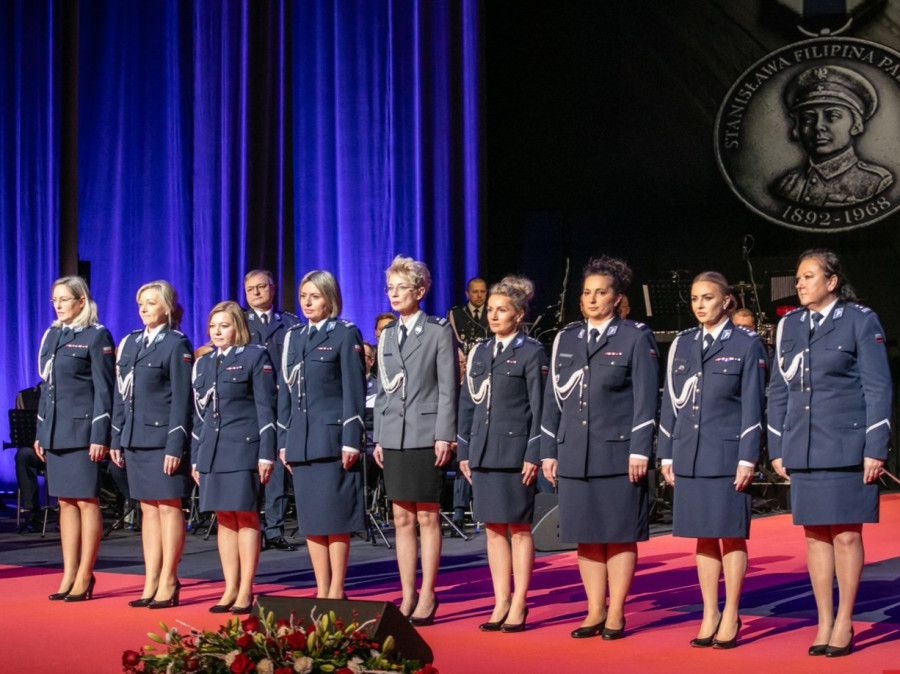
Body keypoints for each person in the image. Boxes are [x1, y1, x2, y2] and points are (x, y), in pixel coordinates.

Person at [767, 249, 891, 657]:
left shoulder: (858, 320)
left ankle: (845, 621)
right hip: (803, 446)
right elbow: (779, 390)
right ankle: (823, 619)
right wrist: (778, 447)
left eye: (807, 276)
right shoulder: (789, 326)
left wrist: (875, 447)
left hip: (845, 444)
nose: (799, 284)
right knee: (815, 536)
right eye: (798, 278)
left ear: (832, 281)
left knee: (845, 536)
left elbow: (877, 387)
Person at [541, 256, 658, 640]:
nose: (592, 299)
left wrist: (641, 449)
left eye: (601, 293)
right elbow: (552, 400)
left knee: (619, 534)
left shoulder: (634, 336)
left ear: (616, 298)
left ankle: (617, 612)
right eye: (587, 293)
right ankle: (594, 610)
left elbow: (645, 400)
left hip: (618, 454)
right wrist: (548, 449)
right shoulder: (567, 338)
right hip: (574, 452)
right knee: (587, 535)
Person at [658, 272, 767, 649]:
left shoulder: (746, 343)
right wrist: (666, 453)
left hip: (727, 453)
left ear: (726, 301)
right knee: (703, 535)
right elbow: (670, 403)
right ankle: (709, 611)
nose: (700, 305)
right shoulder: (683, 344)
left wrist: (748, 457)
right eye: (694, 299)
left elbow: (754, 403)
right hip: (689, 452)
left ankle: (732, 611)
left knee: (731, 533)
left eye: (707, 298)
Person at [458, 275, 547, 633]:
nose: (494, 316)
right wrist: (464, 447)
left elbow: (540, 408)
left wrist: (534, 452)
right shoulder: (479, 351)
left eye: (502, 310)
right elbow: (468, 403)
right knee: (493, 530)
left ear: (519, 313)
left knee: (519, 529)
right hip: (482, 450)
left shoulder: (531, 351)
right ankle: (500, 600)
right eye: (491, 310)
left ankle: (520, 601)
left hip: (514, 451)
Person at [374, 255, 458, 626]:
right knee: (400, 518)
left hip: (427, 435)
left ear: (420, 291)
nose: (394, 294)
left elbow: (447, 390)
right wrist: (379, 436)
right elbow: (382, 390)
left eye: (401, 287)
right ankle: (407, 592)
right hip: (393, 435)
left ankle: (428, 593)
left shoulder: (438, 331)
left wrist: (445, 434)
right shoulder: (388, 334)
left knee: (427, 516)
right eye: (390, 287)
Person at [279, 271, 366, 599]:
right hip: (301, 440)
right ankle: (321, 587)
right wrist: (285, 441)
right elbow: (286, 396)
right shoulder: (294, 336)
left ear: (329, 298)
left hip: (332, 439)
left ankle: (337, 588)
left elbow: (353, 391)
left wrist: (351, 438)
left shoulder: (344, 334)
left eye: (314, 296)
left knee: (335, 517)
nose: (307, 302)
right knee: (313, 521)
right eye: (303, 296)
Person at [110, 281, 193, 609]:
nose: (144, 308)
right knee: (147, 508)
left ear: (168, 307)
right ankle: (151, 578)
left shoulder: (176, 344)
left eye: (151, 303)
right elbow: (121, 394)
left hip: (162, 439)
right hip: (135, 437)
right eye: (141, 303)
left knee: (168, 505)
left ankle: (169, 579)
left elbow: (182, 401)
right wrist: (117, 436)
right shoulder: (130, 342)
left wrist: (176, 445)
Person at [191, 301, 277, 614]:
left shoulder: (254, 356)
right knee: (224, 519)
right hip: (212, 450)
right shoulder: (203, 363)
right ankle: (229, 586)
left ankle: (245, 589)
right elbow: (199, 416)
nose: (217, 332)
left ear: (237, 327)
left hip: (244, 447)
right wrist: (196, 458)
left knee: (245, 516)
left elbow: (265, 407)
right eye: (213, 326)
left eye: (224, 326)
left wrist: (266, 453)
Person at [35, 276, 115, 601]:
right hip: (55, 431)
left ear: (81, 301)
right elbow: (46, 389)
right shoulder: (53, 335)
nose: (58, 305)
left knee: (86, 500)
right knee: (65, 502)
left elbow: (104, 389)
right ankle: (68, 572)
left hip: (83, 432)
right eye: (55, 299)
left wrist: (100, 434)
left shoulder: (96, 336)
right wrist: (41, 431)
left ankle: (85, 574)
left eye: (64, 299)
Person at [772, 65, 893, 207]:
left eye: (833, 116)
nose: (818, 126)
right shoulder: (785, 185)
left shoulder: (877, 182)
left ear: (855, 124)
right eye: (808, 118)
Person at [244, 268, 301, 552]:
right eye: (250, 288)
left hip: (281, 404)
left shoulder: (289, 323)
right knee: (250, 466)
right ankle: (250, 526)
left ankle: (275, 529)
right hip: (249, 405)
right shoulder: (239, 321)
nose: (256, 293)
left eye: (261, 287)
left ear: (273, 289)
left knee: (277, 467)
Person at [448, 277, 490, 349]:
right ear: (467, 293)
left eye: (483, 291)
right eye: (475, 292)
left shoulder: (492, 312)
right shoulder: (456, 314)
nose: (479, 295)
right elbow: (451, 341)